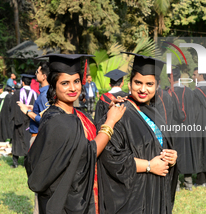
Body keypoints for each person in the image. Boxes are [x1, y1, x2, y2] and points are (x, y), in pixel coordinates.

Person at [25, 54, 126, 214]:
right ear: (54, 85)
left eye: (76, 81)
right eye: (65, 83)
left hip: (80, 191)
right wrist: (110, 122)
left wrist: (108, 113)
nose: (73, 88)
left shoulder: (75, 114)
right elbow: (89, 152)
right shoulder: (59, 121)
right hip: (68, 200)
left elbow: (88, 135)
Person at [98, 52, 178, 214]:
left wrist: (172, 158)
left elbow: (160, 144)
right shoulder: (119, 112)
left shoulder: (155, 112)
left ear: (157, 85)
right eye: (138, 83)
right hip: (134, 196)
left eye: (149, 84)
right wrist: (149, 166)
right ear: (129, 84)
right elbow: (111, 157)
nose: (143, 89)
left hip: (156, 191)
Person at [17, 62, 50, 214]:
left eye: (37, 72)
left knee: (38, 178)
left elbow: (45, 119)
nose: (35, 75)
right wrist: (32, 108)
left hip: (38, 138)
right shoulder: (46, 93)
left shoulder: (44, 94)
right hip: (41, 138)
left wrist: (26, 111)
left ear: (44, 75)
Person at [167, 67, 196, 191]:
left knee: (174, 153)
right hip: (187, 128)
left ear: (170, 78)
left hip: (173, 129)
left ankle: (176, 183)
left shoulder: (167, 93)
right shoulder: (189, 91)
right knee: (187, 153)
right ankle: (188, 181)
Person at [11, 74, 38, 168]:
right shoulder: (35, 93)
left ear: (22, 82)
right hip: (30, 120)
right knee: (27, 140)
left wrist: (14, 119)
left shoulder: (17, 93)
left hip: (19, 121)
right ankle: (26, 162)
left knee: (17, 141)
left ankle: (15, 163)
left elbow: (13, 107)